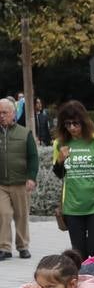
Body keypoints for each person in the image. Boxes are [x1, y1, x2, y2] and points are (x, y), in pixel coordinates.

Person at [53, 101, 94, 258]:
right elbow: (59, 174)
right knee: (79, 252)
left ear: (84, 122)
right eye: (68, 124)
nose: (72, 128)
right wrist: (60, 160)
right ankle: (84, 281)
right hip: (73, 206)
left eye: (76, 123)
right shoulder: (60, 144)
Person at [0, 97, 39, 261]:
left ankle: (23, 246)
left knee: (21, 215)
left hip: (20, 182)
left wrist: (31, 177)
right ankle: (4, 248)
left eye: (4, 112)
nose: (1, 116)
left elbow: (33, 157)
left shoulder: (25, 133)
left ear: (13, 114)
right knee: (3, 214)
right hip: (1, 184)